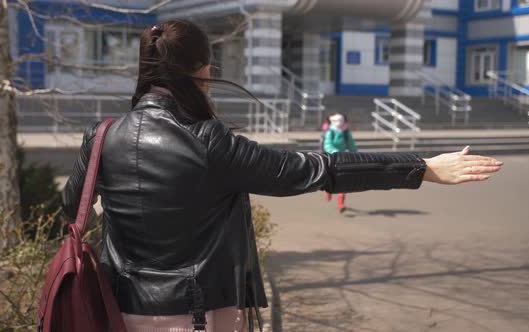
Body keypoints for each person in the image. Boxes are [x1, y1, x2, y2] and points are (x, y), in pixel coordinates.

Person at [61, 19, 503, 332]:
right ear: (203, 71)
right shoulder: (209, 143)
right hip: (197, 315)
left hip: (115, 309)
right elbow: (316, 170)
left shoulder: (101, 135)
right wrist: (422, 168)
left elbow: (71, 207)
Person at [322, 113, 357, 213]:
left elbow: (351, 144)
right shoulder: (330, 132)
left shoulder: (346, 133)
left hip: (343, 159)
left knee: (343, 180)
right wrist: (337, 153)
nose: (339, 123)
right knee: (330, 178)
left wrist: (356, 155)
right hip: (331, 159)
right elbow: (327, 145)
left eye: (341, 120)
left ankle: (341, 203)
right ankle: (328, 190)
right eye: (337, 121)